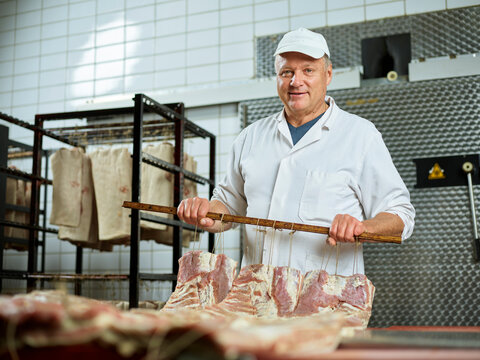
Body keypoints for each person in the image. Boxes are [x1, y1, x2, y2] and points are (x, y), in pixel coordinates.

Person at [178, 27, 415, 276]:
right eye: (286, 72)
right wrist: (205, 212)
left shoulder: (360, 135)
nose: (296, 81)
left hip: (325, 304)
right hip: (255, 300)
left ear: (328, 75)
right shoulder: (250, 137)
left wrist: (362, 227)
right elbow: (228, 206)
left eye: (308, 71)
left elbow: (401, 215)